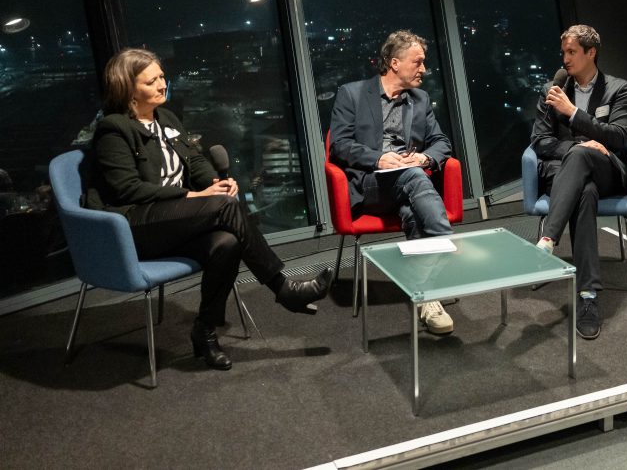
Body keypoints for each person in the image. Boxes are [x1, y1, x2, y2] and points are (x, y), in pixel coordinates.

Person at [85, 48, 332, 371]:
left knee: (226, 243)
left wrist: (216, 183)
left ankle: (205, 331)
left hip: (175, 220)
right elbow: (127, 189)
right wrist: (193, 195)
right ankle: (283, 288)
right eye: (151, 81)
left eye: (162, 77)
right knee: (225, 208)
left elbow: (196, 160)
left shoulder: (167, 119)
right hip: (135, 226)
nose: (162, 84)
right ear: (129, 89)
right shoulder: (113, 129)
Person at [328, 30, 456, 335]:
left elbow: (441, 142)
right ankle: (448, 247)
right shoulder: (352, 94)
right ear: (395, 63)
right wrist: (378, 159)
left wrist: (424, 158)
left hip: (408, 186)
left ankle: (428, 298)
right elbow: (339, 145)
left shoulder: (420, 100)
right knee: (413, 177)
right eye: (418, 62)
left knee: (413, 213)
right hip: (370, 184)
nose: (424, 69)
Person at [531, 24, 627, 340]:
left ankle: (548, 239)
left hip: (607, 171)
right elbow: (540, 141)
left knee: (585, 166)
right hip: (565, 172)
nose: (565, 59)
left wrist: (574, 113)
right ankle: (588, 296)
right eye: (563, 52)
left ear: (591, 53)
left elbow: (618, 137)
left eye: (572, 52)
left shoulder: (618, 89)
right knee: (584, 191)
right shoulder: (552, 89)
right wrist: (579, 149)